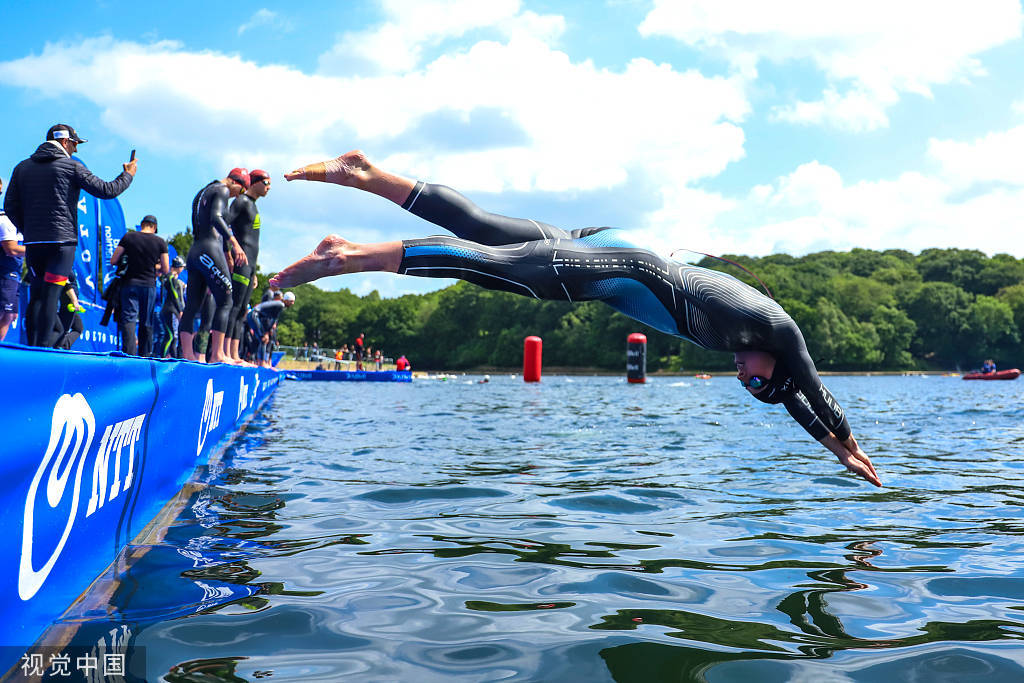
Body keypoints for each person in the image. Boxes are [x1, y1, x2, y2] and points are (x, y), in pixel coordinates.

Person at [271, 150, 881, 487]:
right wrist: (849, 444)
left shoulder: (752, 350)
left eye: (746, 384)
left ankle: (369, 176)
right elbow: (810, 389)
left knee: (483, 228)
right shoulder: (778, 333)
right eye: (754, 380)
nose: (742, 375)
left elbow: (795, 402)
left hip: (608, 254)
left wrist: (829, 449)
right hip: (622, 265)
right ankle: (347, 257)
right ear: (773, 365)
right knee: (495, 265)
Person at [4, 124, 135, 347]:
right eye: (75, 144)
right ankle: (44, 353)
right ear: (65, 142)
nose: (75, 150)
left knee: (37, 294)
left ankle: (33, 350)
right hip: (61, 244)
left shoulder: (21, 167)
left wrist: (28, 230)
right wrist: (128, 174)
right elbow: (106, 190)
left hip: (35, 243)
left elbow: (9, 206)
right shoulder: (71, 166)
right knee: (51, 295)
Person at [179, 169, 250, 363]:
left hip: (195, 250)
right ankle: (218, 354)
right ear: (237, 183)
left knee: (192, 305)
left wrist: (224, 251)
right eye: (241, 191)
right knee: (226, 300)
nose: (237, 196)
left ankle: (188, 355)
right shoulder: (223, 190)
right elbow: (216, 218)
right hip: (210, 249)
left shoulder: (204, 190)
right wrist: (233, 243)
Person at [225, 168, 270, 362]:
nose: (269, 188)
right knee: (234, 307)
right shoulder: (241, 202)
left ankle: (234, 354)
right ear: (255, 182)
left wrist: (254, 272)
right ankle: (224, 352)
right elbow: (224, 225)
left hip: (251, 265)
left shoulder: (253, 206)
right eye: (266, 183)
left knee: (243, 309)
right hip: (240, 261)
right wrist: (229, 253)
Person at [110, 215, 168, 355]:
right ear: (154, 227)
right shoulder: (160, 242)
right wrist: (154, 266)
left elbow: (113, 260)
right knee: (146, 320)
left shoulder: (129, 237)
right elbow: (166, 268)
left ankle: (128, 353)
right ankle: (145, 355)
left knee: (129, 319)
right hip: (149, 285)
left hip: (129, 283)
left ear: (142, 224)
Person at [0, 178, 24, 342]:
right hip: (4, 272)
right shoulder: (5, 218)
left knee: (11, 314)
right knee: (4, 311)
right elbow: (12, 249)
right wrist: (40, 250)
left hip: (13, 273)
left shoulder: (16, 220)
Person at [245, 291, 295, 367]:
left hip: (253, 315)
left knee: (259, 338)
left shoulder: (278, 303)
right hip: (254, 315)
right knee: (263, 339)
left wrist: (266, 332)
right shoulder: (281, 305)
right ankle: (261, 362)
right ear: (286, 300)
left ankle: (255, 361)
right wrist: (266, 333)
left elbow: (268, 318)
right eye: (291, 301)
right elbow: (272, 320)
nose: (292, 303)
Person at [159, 256, 186, 358]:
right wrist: (179, 310)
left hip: (170, 309)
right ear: (178, 267)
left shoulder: (171, 278)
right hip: (170, 310)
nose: (183, 269)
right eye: (182, 267)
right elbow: (174, 295)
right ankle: (162, 357)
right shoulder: (170, 277)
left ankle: (173, 357)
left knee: (173, 336)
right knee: (170, 336)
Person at [54, 272, 84, 350]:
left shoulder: (69, 265)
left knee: (78, 328)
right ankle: (59, 347)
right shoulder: (65, 266)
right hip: (68, 302)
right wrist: (74, 301)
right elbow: (67, 285)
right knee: (63, 330)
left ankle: (63, 345)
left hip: (71, 302)